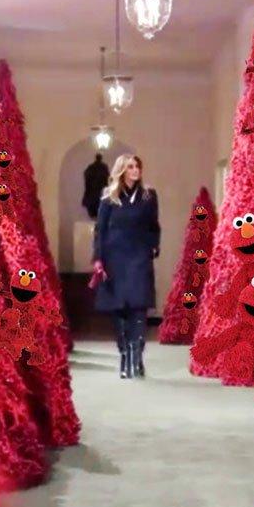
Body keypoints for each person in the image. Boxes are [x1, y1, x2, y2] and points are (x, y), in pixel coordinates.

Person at [92, 154, 160, 379]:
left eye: (137, 166)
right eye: (130, 167)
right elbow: (100, 230)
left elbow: (154, 226)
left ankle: (136, 357)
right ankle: (124, 356)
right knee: (119, 308)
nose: (135, 170)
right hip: (115, 258)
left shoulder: (148, 196)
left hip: (139, 257)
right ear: (122, 170)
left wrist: (153, 246)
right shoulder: (109, 197)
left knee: (139, 306)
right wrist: (98, 258)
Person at [82, 153, 110, 219]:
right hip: (95, 190)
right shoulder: (102, 167)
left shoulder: (93, 167)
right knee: (96, 205)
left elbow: (86, 175)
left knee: (97, 205)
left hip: (96, 190)